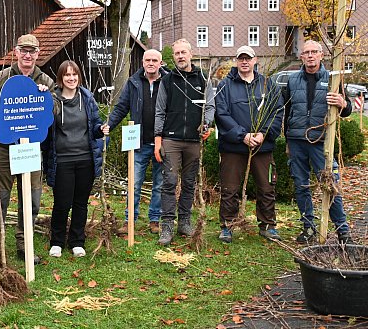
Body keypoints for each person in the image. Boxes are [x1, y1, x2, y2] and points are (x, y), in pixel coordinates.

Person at [0, 34, 54, 264]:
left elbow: (52, 113)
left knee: (31, 198)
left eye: (32, 51)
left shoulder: (45, 80)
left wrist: (45, 98)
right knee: (0, 197)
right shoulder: (2, 77)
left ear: (37, 54)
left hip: (30, 148)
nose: (27, 55)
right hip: (3, 148)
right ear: (16, 52)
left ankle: (25, 244)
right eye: (23, 50)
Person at [283, 40, 353, 244]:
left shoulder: (333, 79)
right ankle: (308, 227)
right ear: (301, 56)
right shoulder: (293, 80)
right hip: (297, 140)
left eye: (314, 52)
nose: (311, 56)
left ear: (322, 55)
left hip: (322, 141)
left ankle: (342, 230)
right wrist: (288, 140)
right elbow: (288, 112)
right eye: (307, 52)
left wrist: (342, 103)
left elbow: (347, 110)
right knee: (301, 185)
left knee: (330, 184)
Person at [215, 45, 283, 243]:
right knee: (230, 188)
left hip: (262, 148)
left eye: (248, 58)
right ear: (236, 61)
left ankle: (268, 225)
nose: (244, 62)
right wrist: (242, 135)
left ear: (255, 61)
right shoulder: (225, 86)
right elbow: (222, 114)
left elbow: (276, 112)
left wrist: (264, 133)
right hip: (234, 148)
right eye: (241, 58)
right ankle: (227, 225)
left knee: (266, 186)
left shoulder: (267, 85)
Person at [154, 38, 215, 245]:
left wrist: (206, 124)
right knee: (169, 182)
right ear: (174, 57)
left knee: (189, 182)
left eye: (183, 52)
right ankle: (167, 225)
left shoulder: (203, 79)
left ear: (190, 54)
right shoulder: (167, 81)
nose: (180, 56)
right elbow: (160, 111)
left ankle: (185, 221)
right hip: (171, 139)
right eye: (177, 53)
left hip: (193, 140)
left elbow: (210, 106)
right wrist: (158, 138)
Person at [44, 61, 108, 258]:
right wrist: (41, 93)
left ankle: (77, 241)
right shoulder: (52, 99)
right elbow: (43, 124)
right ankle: (56, 241)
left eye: (74, 75)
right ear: (60, 78)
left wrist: (101, 130)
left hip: (85, 159)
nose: (71, 78)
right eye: (67, 75)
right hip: (62, 160)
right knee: (62, 202)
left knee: (81, 202)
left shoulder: (87, 98)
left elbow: (95, 125)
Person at [106, 49, 167, 234]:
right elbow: (121, 107)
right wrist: (108, 125)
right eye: (147, 59)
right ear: (142, 62)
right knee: (134, 183)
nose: (151, 63)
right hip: (138, 142)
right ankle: (129, 219)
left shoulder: (168, 81)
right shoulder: (133, 82)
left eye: (154, 60)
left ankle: (155, 220)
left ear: (160, 62)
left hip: (161, 142)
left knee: (159, 184)